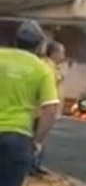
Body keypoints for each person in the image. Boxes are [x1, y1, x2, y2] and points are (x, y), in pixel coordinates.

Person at [0, 20, 59, 186]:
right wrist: (38, 141)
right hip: (18, 137)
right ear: (38, 45)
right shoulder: (42, 69)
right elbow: (50, 109)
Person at [30, 40, 66, 176]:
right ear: (55, 53)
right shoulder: (47, 67)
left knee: (41, 137)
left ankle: (36, 164)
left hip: (46, 109)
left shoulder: (53, 67)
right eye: (62, 52)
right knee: (38, 136)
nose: (64, 55)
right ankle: (32, 165)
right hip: (41, 110)